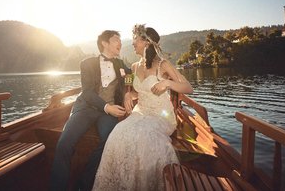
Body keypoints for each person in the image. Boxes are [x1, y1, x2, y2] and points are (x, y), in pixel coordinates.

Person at [92, 24, 193, 191]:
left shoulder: (163, 64)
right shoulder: (133, 67)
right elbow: (131, 89)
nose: (132, 43)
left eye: (135, 39)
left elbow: (188, 88)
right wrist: (127, 95)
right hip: (140, 112)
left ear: (146, 42)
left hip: (161, 116)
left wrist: (167, 82)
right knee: (117, 133)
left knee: (144, 137)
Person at [49, 30, 131, 191]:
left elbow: (130, 75)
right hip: (86, 108)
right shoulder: (87, 63)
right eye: (116, 40)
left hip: (109, 111)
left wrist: (128, 91)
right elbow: (87, 92)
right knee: (64, 143)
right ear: (104, 43)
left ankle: (84, 184)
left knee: (109, 142)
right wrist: (107, 108)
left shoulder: (121, 64)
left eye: (120, 40)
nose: (120, 43)